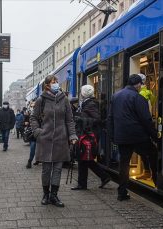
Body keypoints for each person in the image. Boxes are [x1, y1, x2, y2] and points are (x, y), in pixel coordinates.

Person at [108, 74, 158, 201]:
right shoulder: (138, 97)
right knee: (153, 154)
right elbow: (146, 119)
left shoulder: (115, 96)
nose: (141, 87)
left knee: (124, 164)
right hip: (138, 136)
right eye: (140, 85)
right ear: (137, 84)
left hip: (122, 136)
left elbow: (110, 118)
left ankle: (122, 192)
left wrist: (113, 135)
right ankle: (157, 182)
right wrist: (155, 136)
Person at [30, 75, 77, 207]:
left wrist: (72, 136)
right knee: (46, 169)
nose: (56, 83)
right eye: (53, 82)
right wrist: (38, 132)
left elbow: (69, 120)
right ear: (47, 85)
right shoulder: (41, 100)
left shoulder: (64, 99)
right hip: (45, 139)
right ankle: (45, 194)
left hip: (61, 139)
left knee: (57, 169)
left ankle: (54, 196)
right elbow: (33, 118)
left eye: (57, 81)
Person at [71, 85, 111, 190]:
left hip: (88, 135)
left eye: (81, 92)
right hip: (86, 134)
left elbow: (97, 120)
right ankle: (86, 182)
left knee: (84, 158)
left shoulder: (91, 104)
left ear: (84, 93)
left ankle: (99, 178)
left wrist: (80, 119)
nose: (80, 93)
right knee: (84, 159)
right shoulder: (87, 103)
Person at [138, 73, 156, 180]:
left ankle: (148, 172)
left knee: (145, 151)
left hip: (142, 125)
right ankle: (149, 172)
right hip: (148, 122)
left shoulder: (140, 94)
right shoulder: (149, 92)